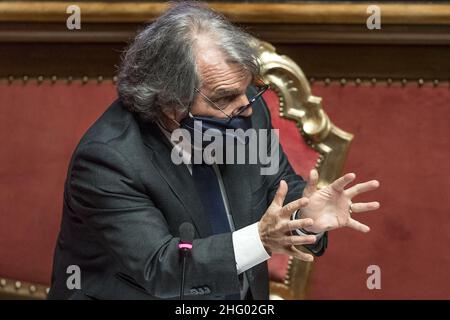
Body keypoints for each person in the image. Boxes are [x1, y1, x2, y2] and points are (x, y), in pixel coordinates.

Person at [48, 2, 380, 300]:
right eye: (223, 97)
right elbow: (161, 268)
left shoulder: (246, 111)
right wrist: (261, 241)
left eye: (245, 89)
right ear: (169, 101)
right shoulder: (108, 160)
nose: (247, 108)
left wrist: (304, 217)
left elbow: (277, 185)